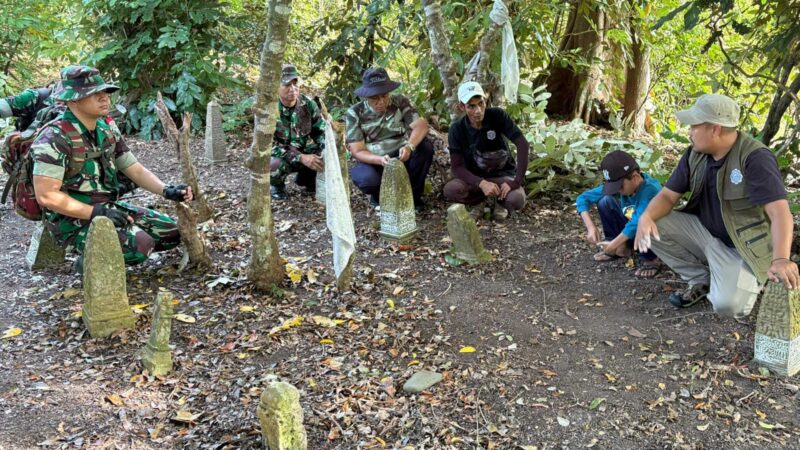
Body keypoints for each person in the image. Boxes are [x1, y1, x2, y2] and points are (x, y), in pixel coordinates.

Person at [635, 93, 799, 317]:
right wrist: (646, 217)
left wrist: (780, 259)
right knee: (650, 222)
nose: (689, 131)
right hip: (704, 234)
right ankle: (699, 278)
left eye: (694, 126)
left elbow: (779, 213)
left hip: (741, 249)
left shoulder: (755, 158)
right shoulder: (695, 154)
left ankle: (744, 277)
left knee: (728, 306)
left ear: (715, 129)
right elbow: (667, 196)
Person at [30, 65, 193, 267]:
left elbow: (134, 169)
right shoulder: (54, 138)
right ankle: (87, 263)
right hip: (71, 220)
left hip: (107, 207)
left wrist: (167, 190)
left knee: (172, 232)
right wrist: (95, 213)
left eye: (105, 91)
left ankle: (106, 249)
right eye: (93, 93)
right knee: (140, 246)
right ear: (73, 100)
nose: (104, 97)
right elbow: (47, 196)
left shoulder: (106, 128)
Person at [345, 67, 434, 212]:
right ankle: (378, 195)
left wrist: (409, 147)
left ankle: (413, 195)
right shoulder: (355, 112)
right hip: (374, 159)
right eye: (375, 98)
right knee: (366, 179)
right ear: (366, 97)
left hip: (401, 155)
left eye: (384, 96)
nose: (381, 102)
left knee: (425, 148)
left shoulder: (400, 102)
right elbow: (357, 150)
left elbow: (421, 126)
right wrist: (379, 160)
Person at [443, 81, 529, 221]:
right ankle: (478, 202)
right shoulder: (457, 129)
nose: (478, 111)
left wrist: (516, 182)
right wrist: (481, 183)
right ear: (462, 107)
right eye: (471, 106)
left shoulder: (497, 115)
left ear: (485, 101)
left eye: (481, 103)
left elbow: (523, 144)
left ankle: (500, 202)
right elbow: (457, 167)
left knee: (516, 200)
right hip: (475, 179)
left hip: (502, 176)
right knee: (451, 190)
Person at [575, 150, 662, 277]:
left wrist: (613, 245)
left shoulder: (650, 190)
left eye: (619, 186)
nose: (617, 191)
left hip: (654, 234)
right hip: (631, 232)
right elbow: (583, 198)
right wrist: (591, 227)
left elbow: (637, 222)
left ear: (635, 177)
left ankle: (650, 258)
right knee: (605, 201)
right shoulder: (624, 185)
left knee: (642, 222)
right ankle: (620, 248)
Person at [270, 64, 326, 200]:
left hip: (302, 149)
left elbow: (320, 132)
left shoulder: (308, 104)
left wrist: (326, 149)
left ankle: (306, 180)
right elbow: (268, 147)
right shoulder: (268, 109)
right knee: (274, 164)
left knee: (324, 153)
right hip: (280, 155)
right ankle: (276, 185)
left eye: (295, 84)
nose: (293, 89)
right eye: (287, 85)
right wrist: (301, 157)